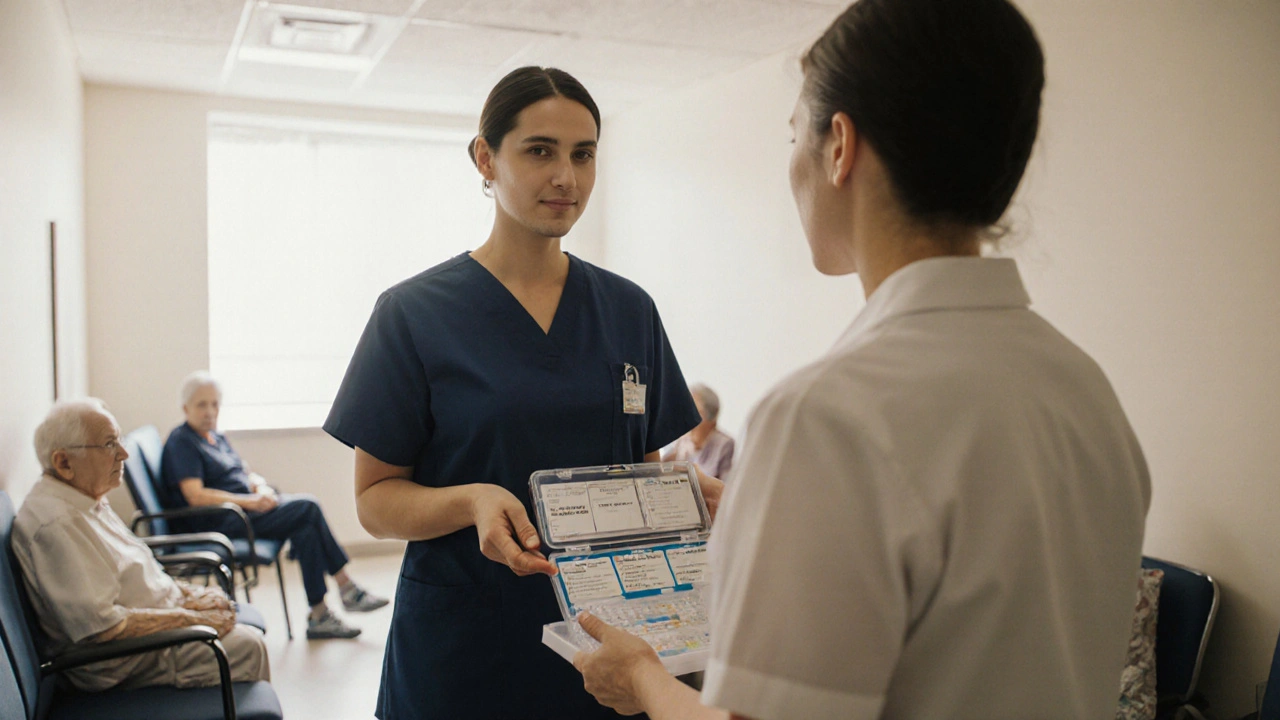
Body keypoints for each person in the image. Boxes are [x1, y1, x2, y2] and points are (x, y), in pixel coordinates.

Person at [573, 1, 1151, 719]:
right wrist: (770, 519)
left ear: (839, 145)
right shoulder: (1084, 391)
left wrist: (643, 681)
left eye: (794, 136)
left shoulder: (824, 416)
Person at [322, 66, 708, 719]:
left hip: (605, 644)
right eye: (540, 151)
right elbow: (374, 502)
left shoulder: (629, 310)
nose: (568, 177)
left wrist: (684, 504)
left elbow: (643, 473)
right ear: (485, 158)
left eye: (584, 154)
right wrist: (472, 500)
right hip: (466, 642)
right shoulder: (414, 314)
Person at [12, 399, 270, 692]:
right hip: (125, 659)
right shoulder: (56, 525)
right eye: (109, 444)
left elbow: (135, 569)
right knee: (250, 645)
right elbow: (104, 628)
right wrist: (191, 618)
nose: (123, 453)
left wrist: (187, 594)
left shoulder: (83, 496)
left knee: (237, 625)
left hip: (149, 628)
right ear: (64, 462)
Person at [161, 371, 388, 641]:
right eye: (202, 405)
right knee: (308, 507)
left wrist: (259, 486)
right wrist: (251, 502)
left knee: (305, 527)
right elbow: (195, 496)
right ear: (185, 407)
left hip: (242, 511)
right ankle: (346, 587)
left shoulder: (215, 437)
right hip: (219, 521)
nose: (210, 411)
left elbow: (242, 472)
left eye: (214, 404)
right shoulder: (182, 442)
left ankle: (320, 615)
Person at [662, 383, 735, 479]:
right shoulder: (683, 442)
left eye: (694, 413)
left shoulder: (725, 445)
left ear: (711, 417)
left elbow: (727, 488)